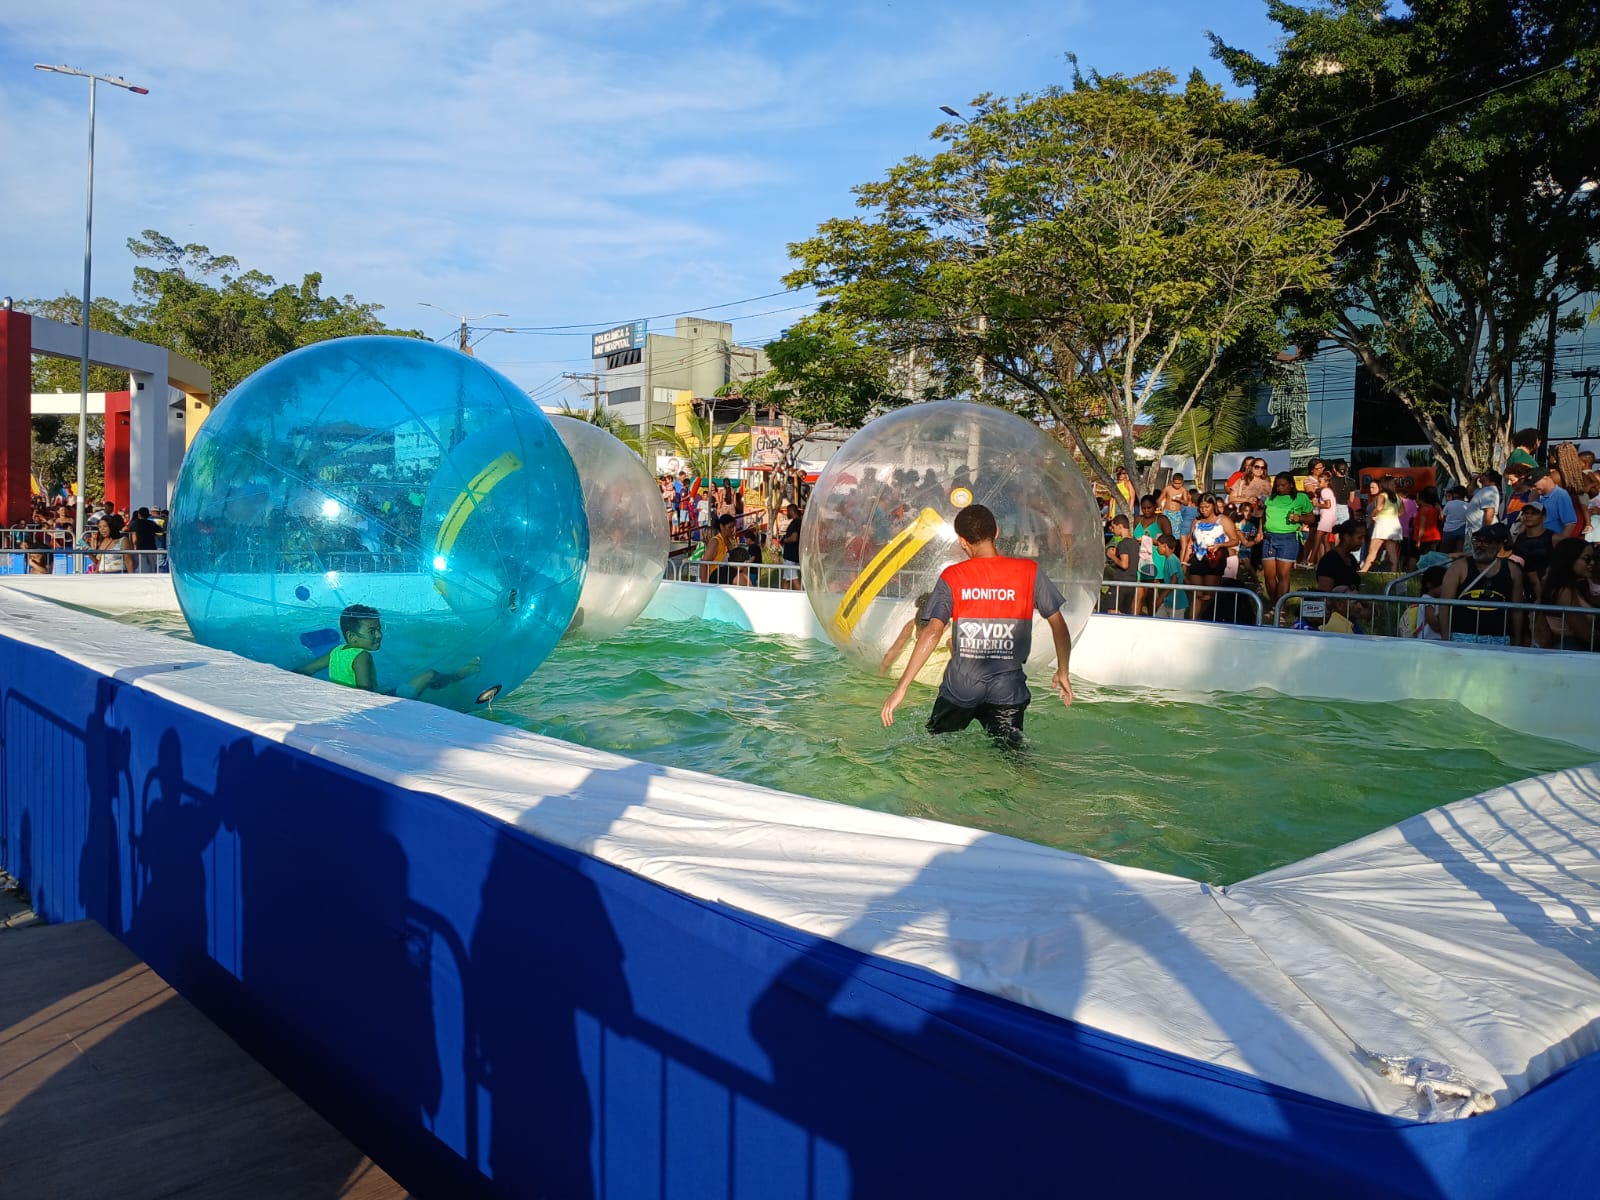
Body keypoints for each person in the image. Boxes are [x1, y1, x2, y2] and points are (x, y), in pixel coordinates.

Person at [880, 504, 1072, 747]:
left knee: (934, 749)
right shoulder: (1029, 571)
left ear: (962, 541)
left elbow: (932, 632)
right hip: (1007, 692)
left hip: (961, 689)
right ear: (997, 532)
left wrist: (901, 688)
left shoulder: (953, 576)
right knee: (1013, 757)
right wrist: (1063, 671)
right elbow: (1059, 626)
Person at [295, 604, 480, 696]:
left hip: (346, 704)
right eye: (372, 631)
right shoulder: (361, 656)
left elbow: (305, 670)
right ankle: (461, 673)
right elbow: (365, 694)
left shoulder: (336, 651)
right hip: (379, 708)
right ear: (352, 636)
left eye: (379, 629)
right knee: (430, 675)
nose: (379, 635)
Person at [1439, 524, 1524, 645]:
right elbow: (1444, 605)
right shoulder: (1458, 568)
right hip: (1462, 637)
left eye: (1487, 542)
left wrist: (1518, 641)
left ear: (1498, 546)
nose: (1480, 545)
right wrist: (1445, 638)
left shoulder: (1513, 570)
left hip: (1499, 638)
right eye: (1477, 540)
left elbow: (1517, 609)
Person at [1261, 471, 1314, 619]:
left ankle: (1280, 608)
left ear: (1291, 485)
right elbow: (1263, 516)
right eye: (1277, 485)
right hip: (1269, 538)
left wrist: (1299, 518)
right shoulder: (1271, 499)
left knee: (1283, 575)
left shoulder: (1301, 498)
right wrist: (1260, 530)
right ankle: (1274, 604)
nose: (1280, 488)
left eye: (1283, 485)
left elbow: (1311, 518)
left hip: (1288, 539)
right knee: (1268, 576)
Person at [1185, 494, 1240, 620]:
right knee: (1197, 594)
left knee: (1209, 594)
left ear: (1213, 506)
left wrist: (1220, 545)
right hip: (1197, 558)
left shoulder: (1224, 520)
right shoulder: (1196, 521)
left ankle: (1206, 618)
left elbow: (1235, 540)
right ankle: (1193, 620)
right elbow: (1190, 542)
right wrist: (1184, 562)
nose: (1204, 510)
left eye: (1207, 507)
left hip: (1214, 559)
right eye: (1201, 507)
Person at [1535, 539, 1596, 650]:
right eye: (1586, 558)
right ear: (1569, 559)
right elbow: (1584, 633)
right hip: (1571, 648)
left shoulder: (1571, 587)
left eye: (1593, 559)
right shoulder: (1564, 591)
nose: (1592, 563)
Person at [1360, 478, 1404, 572]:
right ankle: (1394, 573)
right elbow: (1402, 512)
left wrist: (1373, 514)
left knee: (1372, 550)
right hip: (1394, 525)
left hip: (1382, 524)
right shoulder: (1398, 497)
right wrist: (1392, 515)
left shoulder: (1382, 496)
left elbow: (1379, 508)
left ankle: (1363, 571)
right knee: (1392, 553)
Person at [1530, 470, 1580, 539]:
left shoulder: (1561, 495)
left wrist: (1560, 539)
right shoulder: (1536, 496)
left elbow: (1570, 522)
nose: (1533, 488)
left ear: (1545, 478)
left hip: (1549, 541)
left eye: (1534, 485)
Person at [1103, 515, 1136, 614]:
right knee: (1124, 615)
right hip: (1131, 584)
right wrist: (1117, 553)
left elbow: (1124, 564)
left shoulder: (1123, 544)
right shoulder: (1134, 543)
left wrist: (1112, 556)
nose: (1112, 530)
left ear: (1120, 526)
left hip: (1120, 583)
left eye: (1113, 527)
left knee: (1113, 613)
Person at [700, 514, 740, 583]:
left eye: (734, 527)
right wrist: (704, 582)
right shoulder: (715, 541)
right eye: (730, 527)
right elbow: (704, 563)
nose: (732, 530)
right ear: (722, 526)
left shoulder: (732, 541)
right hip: (715, 579)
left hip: (729, 578)